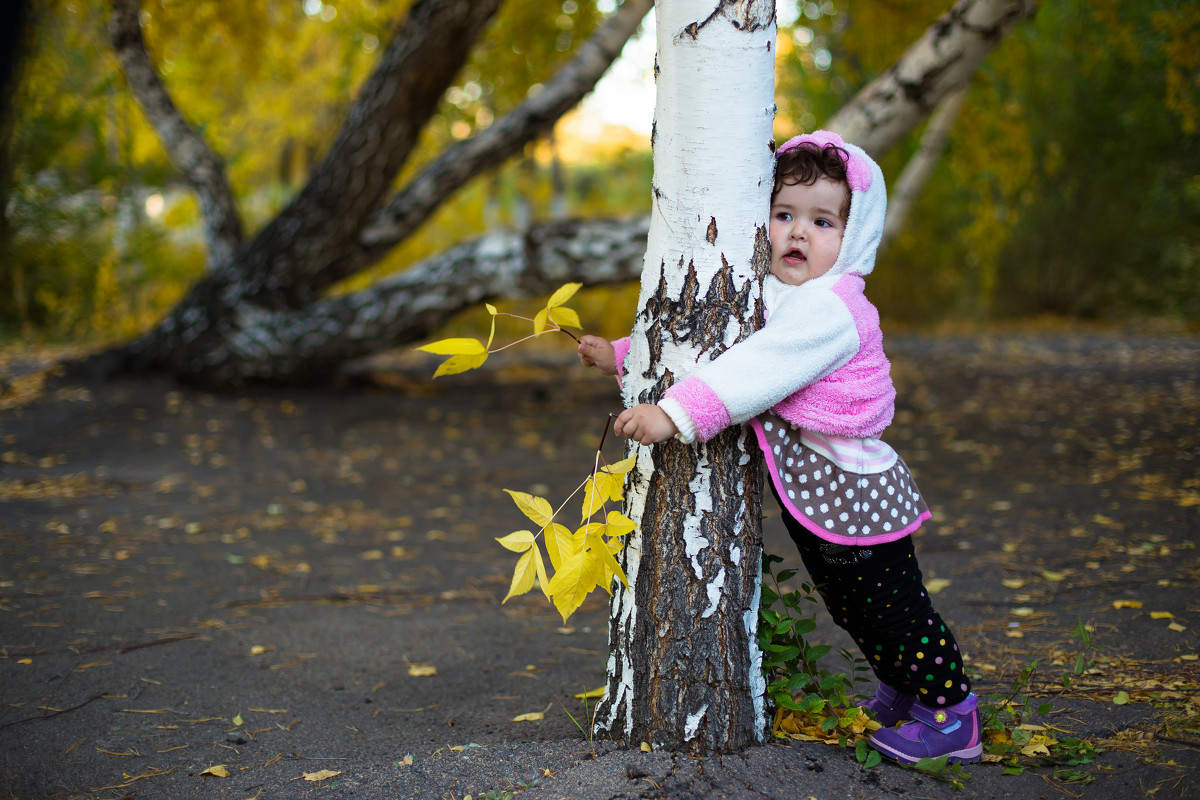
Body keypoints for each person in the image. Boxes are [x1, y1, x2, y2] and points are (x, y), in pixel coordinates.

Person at [577, 131, 981, 766]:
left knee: (896, 609)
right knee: (852, 608)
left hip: (857, 493)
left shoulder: (831, 308)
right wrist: (627, 357)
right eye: (785, 214)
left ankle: (953, 710)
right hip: (823, 502)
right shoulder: (776, 294)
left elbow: (752, 370)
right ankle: (905, 689)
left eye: (822, 221)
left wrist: (672, 415)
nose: (798, 233)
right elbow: (716, 343)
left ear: (854, 235)